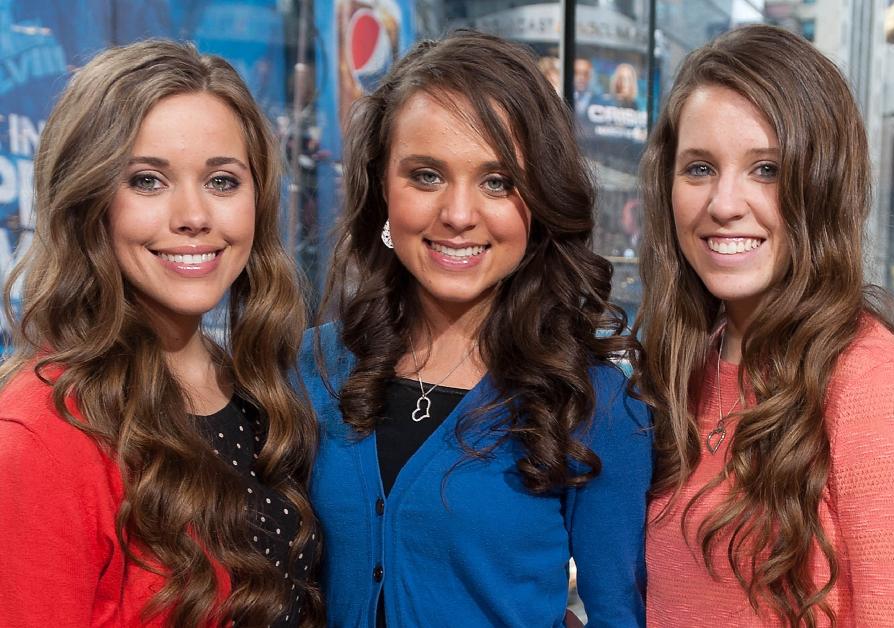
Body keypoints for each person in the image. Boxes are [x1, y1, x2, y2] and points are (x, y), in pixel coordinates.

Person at [299, 30, 652, 627]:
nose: (459, 215)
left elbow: (618, 611)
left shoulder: (595, 403)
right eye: (427, 175)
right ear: (382, 187)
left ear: (539, 203)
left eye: (498, 181)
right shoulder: (314, 366)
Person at [634, 24, 894, 627]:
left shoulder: (876, 389)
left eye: (766, 169)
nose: (725, 203)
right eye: (700, 168)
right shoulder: (684, 364)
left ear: (822, 187)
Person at [0, 40, 321, 626]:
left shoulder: (257, 392)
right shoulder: (44, 434)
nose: (194, 216)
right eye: (148, 181)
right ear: (88, 201)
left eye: (223, 181)